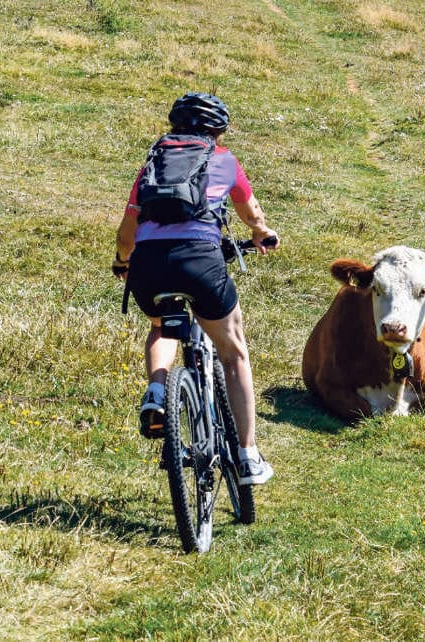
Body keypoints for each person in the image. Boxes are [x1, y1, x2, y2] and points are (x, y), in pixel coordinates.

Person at [112, 92, 279, 485]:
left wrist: (123, 261)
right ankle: (249, 456)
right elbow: (251, 213)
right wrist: (262, 233)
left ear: (174, 127)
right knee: (234, 352)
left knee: (162, 325)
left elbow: (127, 230)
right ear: (217, 131)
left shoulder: (153, 163)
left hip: (149, 265)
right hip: (200, 262)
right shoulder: (225, 161)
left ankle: (157, 390)